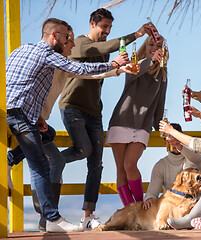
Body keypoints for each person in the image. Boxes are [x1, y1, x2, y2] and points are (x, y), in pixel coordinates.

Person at [7, 26, 136, 231]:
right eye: (69, 40)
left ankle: (46, 218)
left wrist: (116, 71)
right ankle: (51, 219)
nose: (73, 44)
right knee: (40, 164)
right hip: (21, 115)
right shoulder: (50, 56)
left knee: (53, 150)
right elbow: (81, 70)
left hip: (29, 115)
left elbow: (82, 75)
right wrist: (114, 62)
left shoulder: (26, 51)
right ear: (54, 36)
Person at [58, 8, 153, 230]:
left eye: (110, 28)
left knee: (97, 163)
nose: (107, 31)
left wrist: (120, 67)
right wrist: (136, 35)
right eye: (104, 27)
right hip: (72, 107)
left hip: (94, 112)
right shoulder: (80, 43)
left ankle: (87, 216)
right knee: (83, 150)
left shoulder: (106, 51)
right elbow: (101, 48)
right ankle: (52, 160)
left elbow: (102, 74)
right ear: (92, 24)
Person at [106, 34, 168, 207]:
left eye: (158, 46)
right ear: (145, 46)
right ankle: (130, 212)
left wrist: (161, 127)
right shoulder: (133, 65)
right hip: (121, 120)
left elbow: (160, 101)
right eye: (151, 45)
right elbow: (133, 74)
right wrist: (150, 60)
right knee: (121, 170)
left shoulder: (162, 72)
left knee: (130, 164)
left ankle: (140, 208)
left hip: (143, 126)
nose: (154, 49)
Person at [143, 123, 201, 210]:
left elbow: (198, 159)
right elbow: (153, 191)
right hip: (172, 207)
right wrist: (149, 199)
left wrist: (179, 146)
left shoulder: (193, 156)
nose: (174, 142)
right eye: (171, 139)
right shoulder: (160, 165)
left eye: (178, 138)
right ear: (165, 143)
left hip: (195, 205)